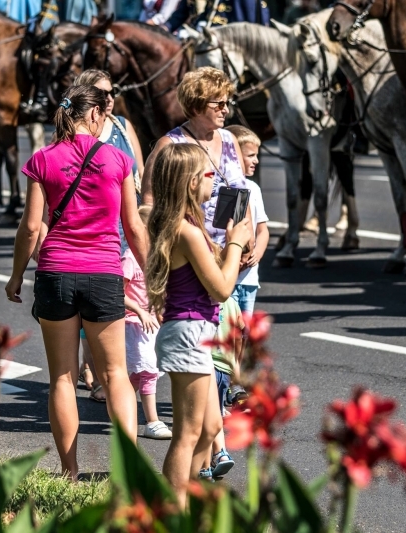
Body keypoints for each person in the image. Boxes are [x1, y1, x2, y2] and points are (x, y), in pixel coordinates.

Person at [5, 85, 149, 479]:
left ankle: (69, 471)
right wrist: (152, 276)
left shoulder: (43, 159)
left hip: (56, 272)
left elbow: (32, 226)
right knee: (116, 374)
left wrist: (17, 275)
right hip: (104, 273)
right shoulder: (118, 159)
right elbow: (133, 227)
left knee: (63, 377)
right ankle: (128, 467)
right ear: (98, 115)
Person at [145, 142, 252, 508]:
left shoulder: (191, 226)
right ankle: (171, 510)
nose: (215, 182)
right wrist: (235, 244)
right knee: (188, 433)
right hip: (190, 332)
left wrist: (226, 246)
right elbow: (221, 289)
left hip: (196, 331)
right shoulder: (187, 231)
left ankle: (186, 499)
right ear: (191, 183)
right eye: (209, 175)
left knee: (208, 428)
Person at [72, 69, 146, 402]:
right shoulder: (74, 134)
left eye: (112, 91)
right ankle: (100, 372)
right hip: (96, 234)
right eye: (102, 94)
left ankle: (112, 371)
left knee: (126, 308)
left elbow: (140, 175)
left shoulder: (123, 127)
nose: (110, 98)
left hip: (126, 227)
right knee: (99, 308)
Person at [143, 67, 250, 248]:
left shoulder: (230, 140)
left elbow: (242, 193)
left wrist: (249, 239)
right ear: (196, 106)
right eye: (219, 104)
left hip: (233, 248)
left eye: (227, 103)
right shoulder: (170, 145)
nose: (226, 111)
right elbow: (149, 202)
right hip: (189, 251)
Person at [124, 205, 172, 439]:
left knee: (137, 374)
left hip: (150, 322)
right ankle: (152, 421)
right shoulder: (130, 258)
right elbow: (117, 293)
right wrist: (140, 311)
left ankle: (119, 407)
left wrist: (160, 309)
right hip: (134, 323)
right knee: (148, 371)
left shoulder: (154, 257)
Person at [224, 125, 269, 314]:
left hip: (249, 280)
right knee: (227, 334)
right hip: (229, 277)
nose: (256, 161)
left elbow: (262, 230)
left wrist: (257, 252)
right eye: (250, 156)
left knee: (245, 336)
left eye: (256, 155)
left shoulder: (254, 188)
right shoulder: (226, 188)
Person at [200, 295, 243, 480]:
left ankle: (204, 467)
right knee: (216, 412)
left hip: (206, 366)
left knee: (203, 417)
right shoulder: (231, 301)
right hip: (225, 368)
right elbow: (240, 331)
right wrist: (236, 364)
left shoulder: (198, 297)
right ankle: (221, 454)